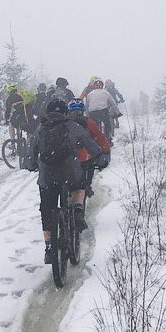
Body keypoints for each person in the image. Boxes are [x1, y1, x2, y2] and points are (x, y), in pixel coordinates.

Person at [27, 99, 106, 264]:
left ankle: (49, 247)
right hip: (69, 172)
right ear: (66, 112)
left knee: (47, 211)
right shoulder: (72, 126)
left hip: (47, 176)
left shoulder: (41, 128)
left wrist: (32, 164)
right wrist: (100, 159)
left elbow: (32, 153)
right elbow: (91, 145)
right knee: (79, 186)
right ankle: (78, 210)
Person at [68, 99, 111, 195]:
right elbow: (100, 137)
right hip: (85, 156)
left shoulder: (65, 123)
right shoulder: (88, 122)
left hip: (68, 156)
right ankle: (87, 186)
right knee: (90, 165)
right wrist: (105, 151)